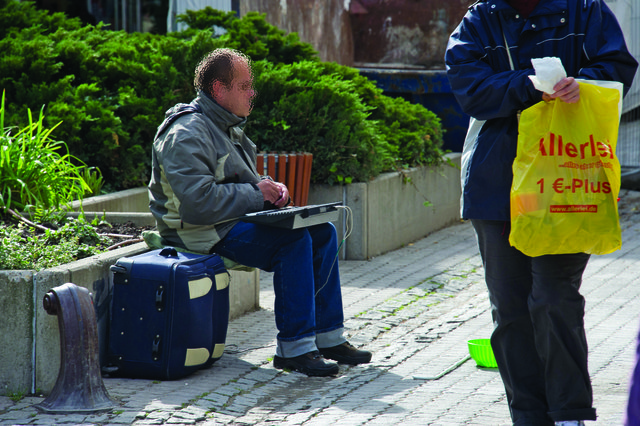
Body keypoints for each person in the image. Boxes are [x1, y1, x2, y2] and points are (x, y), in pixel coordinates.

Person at [445, 0, 638, 425]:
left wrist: (582, 84)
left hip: (564, 180)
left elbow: (617, 65)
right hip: (498, 187)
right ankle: (528, 416)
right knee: (510, 310)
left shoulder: (584, 9)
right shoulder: (480, 19)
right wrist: (531, 85)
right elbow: (468, 88)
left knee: (554, 298)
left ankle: (569, 414)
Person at [147, 48, 372, 377]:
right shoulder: (187, 132)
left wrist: (268, 189)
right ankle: (294, 349)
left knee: (323, 233)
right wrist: (256, 193)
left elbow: (235, 183)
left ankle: (328, 338)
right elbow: (197, 204)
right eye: (244, 86)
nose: (252, 93)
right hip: (199, 232)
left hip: (227, 223)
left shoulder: (221, 124)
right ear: (218, 90)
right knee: (292, 242)